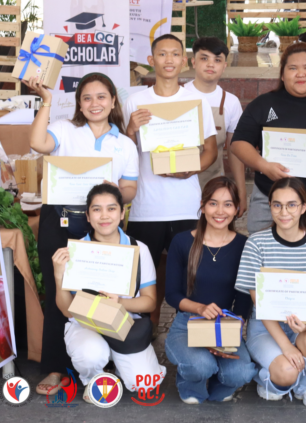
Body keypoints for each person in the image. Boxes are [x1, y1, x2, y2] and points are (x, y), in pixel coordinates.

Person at [21, 72, 139, 396]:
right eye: (87, 98)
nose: (94, 103)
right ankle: (55, 367)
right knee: (58, 289)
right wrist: (47, 101)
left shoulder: (125, 144)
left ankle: (94, 361)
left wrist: (118, 192)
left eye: (101, 97)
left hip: (99, 223)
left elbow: (130, 188)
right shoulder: (64, 129)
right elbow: (37, 143)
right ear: (79, 104)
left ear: (113, 101)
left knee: (96, 291)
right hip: (57, 219)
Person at [125, 34, 219, 327]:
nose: (169, 60)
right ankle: (145, 331)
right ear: (151, 60)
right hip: (145, 207)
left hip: (186, 205)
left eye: (175, 54)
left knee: (190, 277)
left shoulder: (196, 101)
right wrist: (130, 130)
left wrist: (190, 169)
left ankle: (188, 334)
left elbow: (211, 150)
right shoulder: (135, 101)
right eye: (162, 54)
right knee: (141, 277)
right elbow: (123, 151)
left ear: (184, 61)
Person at [52, 184, 165, 400]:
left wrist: (119, 302)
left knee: (144, 384)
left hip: (125, 324)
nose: (104, 216)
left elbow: (150, 302)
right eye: (96, 209)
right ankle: (94, 377)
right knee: (90, 354)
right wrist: (59, 276)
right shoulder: (75, 251)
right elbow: (67, 311)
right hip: (85, 324)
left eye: (111, 209)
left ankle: (120, 366)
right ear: (87, 216)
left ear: (122, 213)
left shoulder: (138, 249)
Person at [235, 177, 306, 408]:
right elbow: (260, 304)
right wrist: (286, 346)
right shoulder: (256, 243)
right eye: (277, 205)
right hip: (266, 328)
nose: (284, 212)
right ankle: (271, 376)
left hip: (303, 326)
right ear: (270, 206)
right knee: (286, 373)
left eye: (291, 205)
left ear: (303, 207)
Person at [231, 42, 306, 234]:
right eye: (293, 68)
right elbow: (238, 143)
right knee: (262, 248)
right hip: (270, 198)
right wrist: (263, 166)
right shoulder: (263, 103)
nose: (300, 74)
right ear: (282, 75)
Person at [164, 177, 256, 403]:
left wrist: (232, 331)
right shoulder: (182, 242)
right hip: (188, 322)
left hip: (225, 323)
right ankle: (191, 383)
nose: (220, 211)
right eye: (213, 203)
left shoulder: (244, 245)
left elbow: (244, 296)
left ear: (236, 209)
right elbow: (172, 294)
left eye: (228, 204)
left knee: (241, 373)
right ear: (203, 205)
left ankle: (219, 382)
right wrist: (200, 308)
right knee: (200, 366)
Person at [185, 38, 247, 209]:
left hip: (214, 185)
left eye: (217, 60)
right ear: (193, 62)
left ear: (224, 66)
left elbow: (235, 151)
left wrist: (241, 192)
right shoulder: (178, 96)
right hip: (179, 182)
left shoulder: (231, 102)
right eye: (204, 58)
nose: (210, 64)